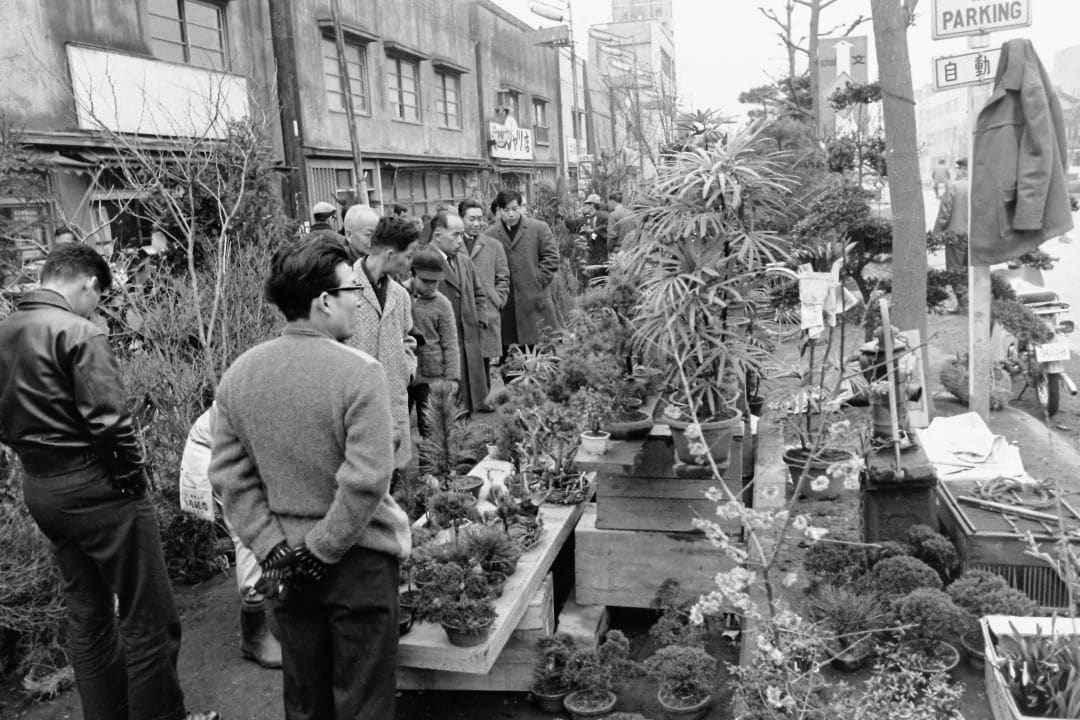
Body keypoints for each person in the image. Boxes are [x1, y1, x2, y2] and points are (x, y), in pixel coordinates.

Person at [0, 243, 218, 720]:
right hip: (98, 487)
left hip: (41, 486)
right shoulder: (79, 332)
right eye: (98, 297)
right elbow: (110, 422)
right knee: (150, 619)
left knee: (88, 613)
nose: (97, 307)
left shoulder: (4, 331)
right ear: (88, 284)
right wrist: (131, 482)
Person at [210, 236, 409, 720]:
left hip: (282, 565)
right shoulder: (360, 372)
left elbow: (229, 476)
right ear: (324, 301)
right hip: (355, 560)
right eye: (351, 292)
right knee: (363, 699)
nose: (357, 302)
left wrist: (272, 547)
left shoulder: (240, 373)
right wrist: (320, 548)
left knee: (304, 697)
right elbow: (366, 479)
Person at [179, 407, 282, 669]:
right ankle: (254, 634)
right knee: (248, 528)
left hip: (240, 446)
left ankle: (283, 602)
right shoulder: (263, 390)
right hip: (216, 450)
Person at [347, 216, 419, 471]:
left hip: (393, 402)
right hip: (355, 409)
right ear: (389, 254)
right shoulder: (343, 290)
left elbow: (408, 338)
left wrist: (406, 370)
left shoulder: (400, 295)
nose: (410, 264)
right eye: (408, 256)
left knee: (393, 481)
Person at [482, 189, 561, 364]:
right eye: (505, 210)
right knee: (511, 361)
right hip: (506, 306)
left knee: (542, 359)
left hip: (535, 302)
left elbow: (552, 257)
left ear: (521, 208)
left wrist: (538, 279)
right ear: (499, 211)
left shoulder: (539, 228)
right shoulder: (490, 235)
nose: (510, 214)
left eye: (514, 209)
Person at [428, 210, 488, 413]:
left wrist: (480, 320)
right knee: (448, 408)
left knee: (468, 402)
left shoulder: (462, 260)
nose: (460, 241)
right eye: (455, 235)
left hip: (469, 340)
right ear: (437, 235)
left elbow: (478, 293)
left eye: (462, 235)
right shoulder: (425, 261)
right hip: (444, 347)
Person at [406, 249, 460, 435]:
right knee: (399, 423)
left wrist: (452, 377)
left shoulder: (442, 304)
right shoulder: (401, 296)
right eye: (425, 281)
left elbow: (450, 342)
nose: (431, 286)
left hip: (431, 376)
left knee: (428, 426)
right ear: (412, 275)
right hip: (404, 373)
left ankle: (429, 464)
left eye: (435, 281)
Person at [459, 198, 509, 386]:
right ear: (461, 219)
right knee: (463, 355)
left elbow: (503, 277)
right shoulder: (454, 245)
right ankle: (465, 402)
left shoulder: (493, 245)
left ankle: (484, 398)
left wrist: (498, 299)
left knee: (484, 357)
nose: (476, 224)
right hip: (462, 309)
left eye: (480, 219)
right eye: (471, 219)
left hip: (487, 308)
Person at [933, 158, 970, 270]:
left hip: (956, 235)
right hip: (975, 235)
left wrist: (936, 232)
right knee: (972, 271)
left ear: (962, 170)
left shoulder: (953, 187)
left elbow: (945, 213)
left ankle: (958, 287)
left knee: (954, 270)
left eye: (960, 169)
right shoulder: (980, 186)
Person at [565, 193, 610, 265]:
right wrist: (563, 218)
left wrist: (593, 230)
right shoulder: (588, 218)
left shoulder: (604, 215)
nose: (584, 206)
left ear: (592, 205)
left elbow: (609, 227)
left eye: (586, 204)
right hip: (591, 254)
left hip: (602, 253)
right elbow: (575, 223)